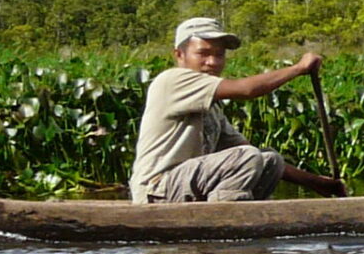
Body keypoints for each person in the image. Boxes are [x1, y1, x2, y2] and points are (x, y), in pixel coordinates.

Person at [129, 17, 348, 204]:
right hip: (156, 190)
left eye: (219, 55)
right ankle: (227, 225)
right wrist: (298, 68)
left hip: (182, 187)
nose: (213, 62)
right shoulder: (172, 80)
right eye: (203, 53)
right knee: (248, 157)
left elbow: (246, 150)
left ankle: (240, 219)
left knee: (270, 160)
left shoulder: (210, 106)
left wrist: (318, 183)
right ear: (179, 55)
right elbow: (247, 90)